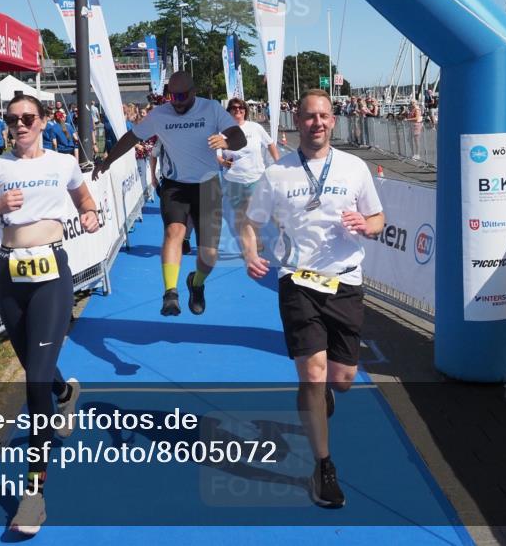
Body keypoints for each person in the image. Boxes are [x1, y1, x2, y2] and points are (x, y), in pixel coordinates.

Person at [0, 95, 99, 535]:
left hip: (52, 272)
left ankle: (33, 493)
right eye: (12, 119)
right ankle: (64, 392)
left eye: (27, 118)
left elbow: (85, 199)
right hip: (9, 273)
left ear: (42, 121)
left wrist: (91, 214)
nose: (19, 125)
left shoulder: (63, 162)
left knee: (32, 381)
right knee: (36, 370)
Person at [240, 89, 384, 509]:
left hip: (345, 283)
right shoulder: (277, 173)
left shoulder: (355, 168)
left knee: (341, 379)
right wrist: (251, 253)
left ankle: (323, 399)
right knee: (313, 375)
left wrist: (367, 224)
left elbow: (378, 218)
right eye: (308, 117)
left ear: (333, 121)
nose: (316, 123)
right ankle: (323, 466)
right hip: (297, 282)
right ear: (296, 121)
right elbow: (250, 222)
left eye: (323, 116)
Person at [94, 71, 245, 317]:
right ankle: (170, 293)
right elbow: (131, 138)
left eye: (183, 96)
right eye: (173, 96)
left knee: (209, 254)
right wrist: (108, 161)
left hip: (207, 186)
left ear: (193, 92)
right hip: (175, 185)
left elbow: (239, 138)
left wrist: (227, 142)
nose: (177, 101)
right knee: (174, 231)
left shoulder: (212, 109)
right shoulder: (160, 115)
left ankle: (196, 283)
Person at [219, 98, 280, 247]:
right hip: (233, 180)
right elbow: (217, 154)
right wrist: (223, 162)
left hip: (255, 178)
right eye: (234, 108)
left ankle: (286, 236)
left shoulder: (255, 128)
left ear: (245, 111)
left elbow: (270, 143)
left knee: (254, 210)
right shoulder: (222, 132)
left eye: (241, 108)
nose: (238, 110)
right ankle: (254, 243)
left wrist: (278, 162)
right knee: (241, 215)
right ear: (229, 112)